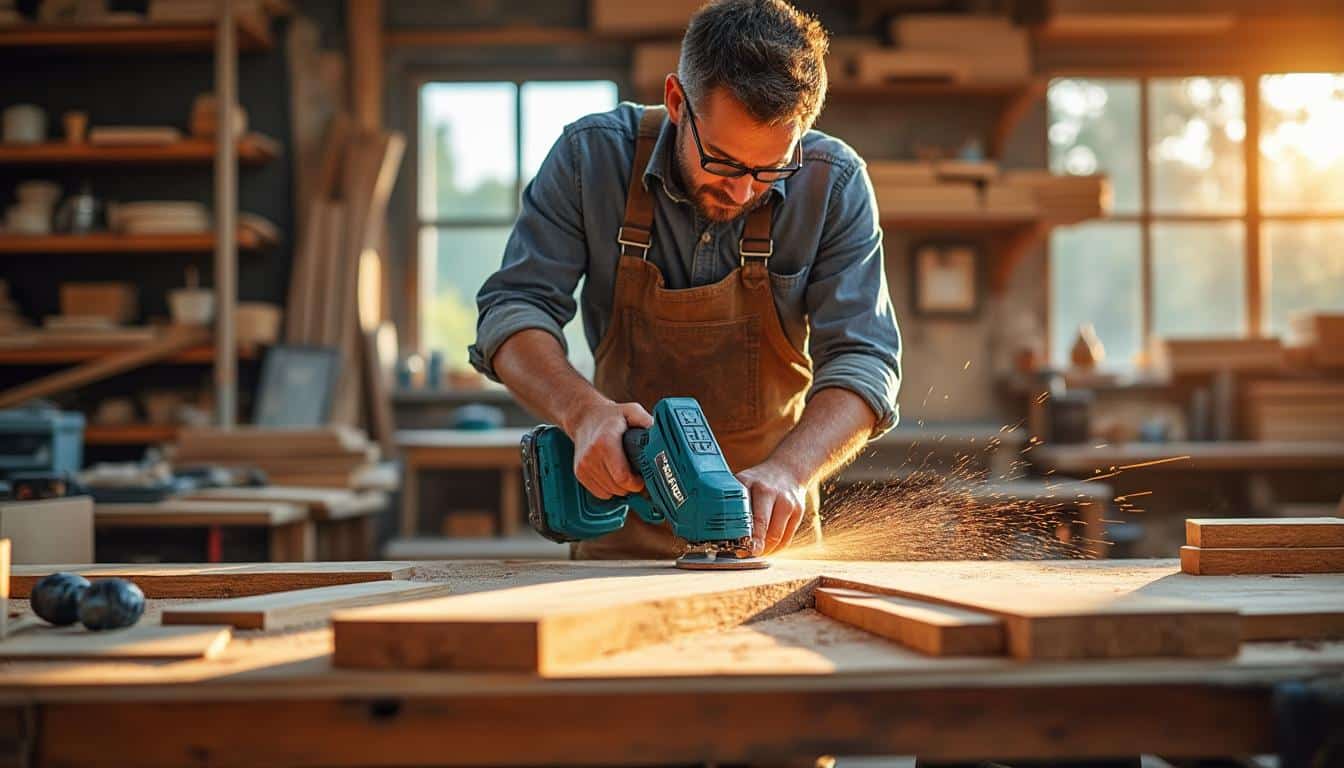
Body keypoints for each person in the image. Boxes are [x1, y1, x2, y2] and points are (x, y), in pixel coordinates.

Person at [469, 0, 901, 559]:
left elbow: (866, 361)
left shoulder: (834, 185)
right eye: (723, 162)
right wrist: (583, 412)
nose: (745, 191)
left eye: (771, 169)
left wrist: (791, 471)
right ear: (677, 102)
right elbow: (512, 312)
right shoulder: (590, 158)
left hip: (763, 537)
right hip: (618, 529)